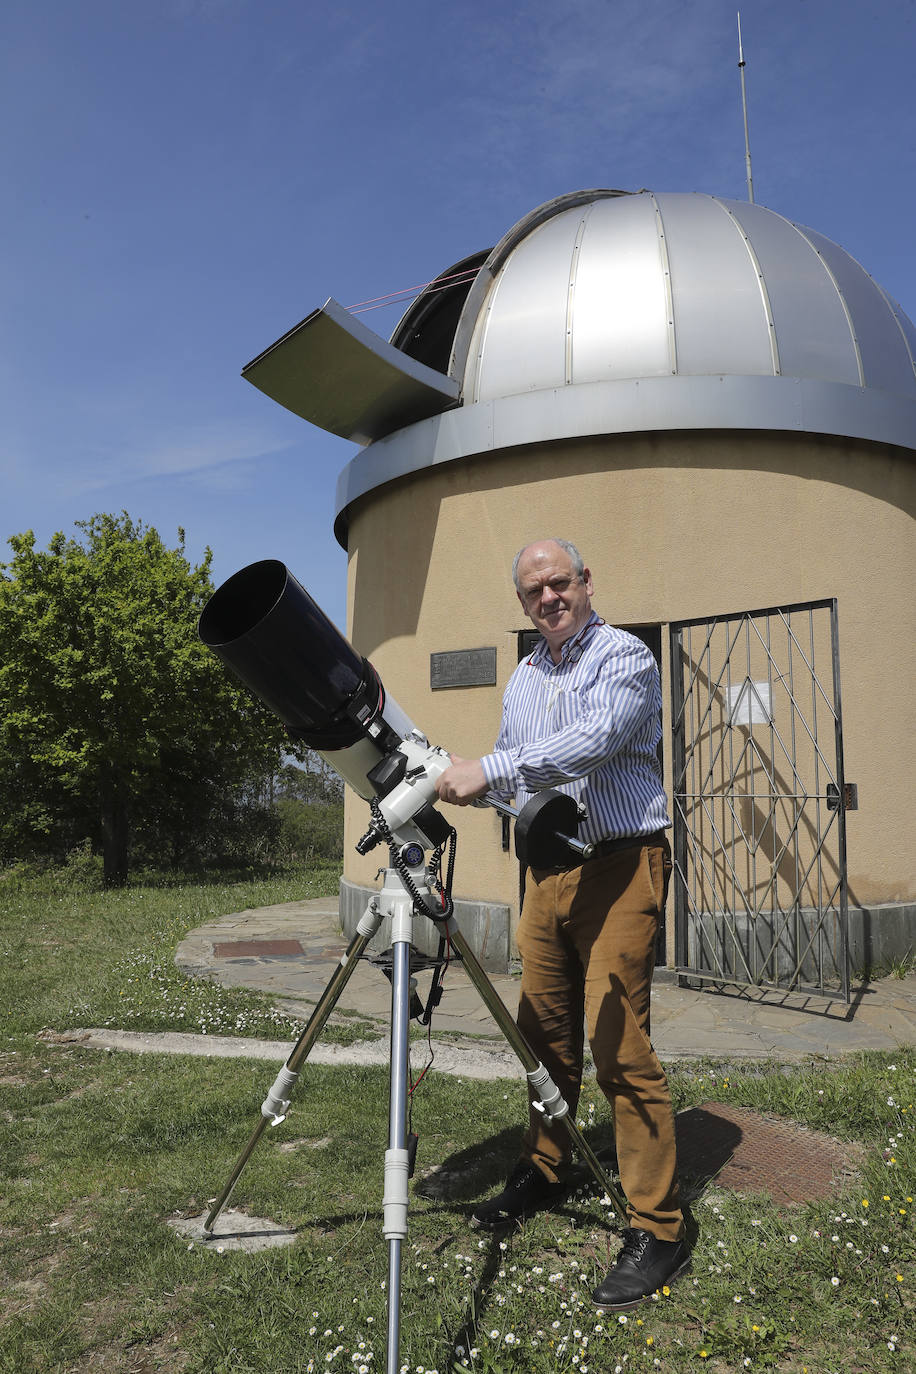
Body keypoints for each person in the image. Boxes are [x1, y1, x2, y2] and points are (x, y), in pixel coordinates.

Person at [435, 538, 687, 1310]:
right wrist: (477, 786)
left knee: (619, 1047)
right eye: (532, 591)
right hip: (548, 876)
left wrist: (496, 769)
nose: (548, 598)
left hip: (620, 863)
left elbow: (597, 740)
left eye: (559, 582)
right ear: (522, 605)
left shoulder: (624, 658)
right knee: (540, 1035)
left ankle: (660, 1225)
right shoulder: (524, 678)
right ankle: (547, 1167)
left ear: (586, 581)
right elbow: (519, 767)